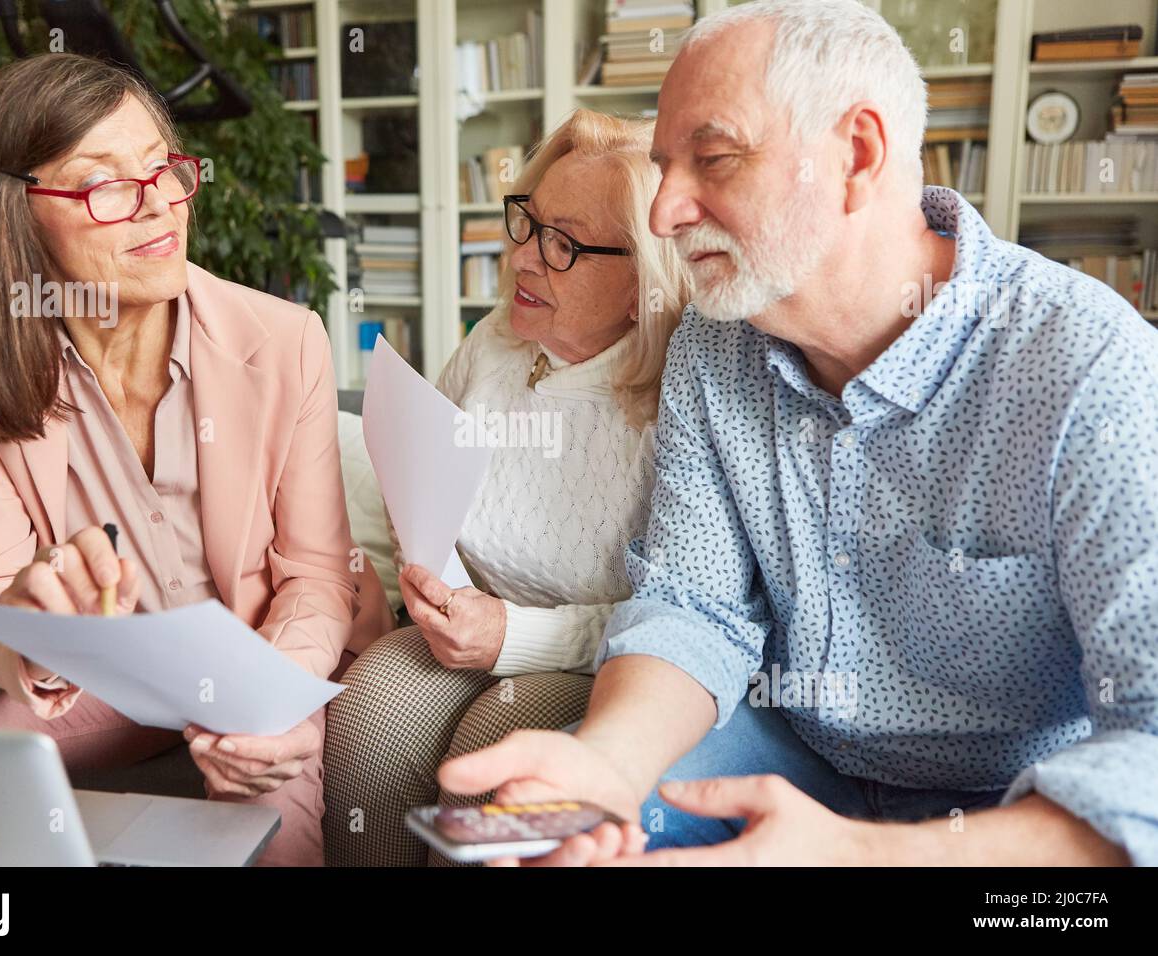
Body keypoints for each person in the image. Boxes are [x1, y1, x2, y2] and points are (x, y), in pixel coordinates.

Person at [438, 0, 1156, 866]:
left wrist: (860, 855)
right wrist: (608, 761)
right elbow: (690, 608)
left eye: (714, 158)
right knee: (572, 837)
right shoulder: (715, 340)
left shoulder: (1090, 369)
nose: (662, 212)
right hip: (797, 751)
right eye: (666, 166)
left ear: (856, 156)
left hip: (1014, 808)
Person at [0, 52, 394, 867]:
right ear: (13, 214)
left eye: (164, 170)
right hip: (109, 677)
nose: (159, 208)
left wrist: (267, 693)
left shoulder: (285, 339)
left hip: (258, 649)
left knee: (269, 816)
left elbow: (315, 573)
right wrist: (37, 636)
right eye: (106, 186)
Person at [322, 110, 693, 865]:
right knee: (367, 719)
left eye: (565, 245)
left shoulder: (677, 402)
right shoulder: (496, 340)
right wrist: (423, 572)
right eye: (527, 223)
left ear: (642, 286)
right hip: (460, 627)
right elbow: (425, 477)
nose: (524, 259)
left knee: (493, 761)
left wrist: (510, 637)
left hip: (589, 657)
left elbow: (683, 617)